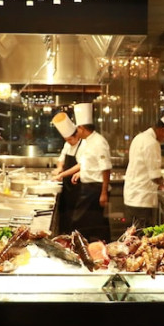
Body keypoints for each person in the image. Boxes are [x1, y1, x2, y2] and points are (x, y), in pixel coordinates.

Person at [123, 104, 164, 229]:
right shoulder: (152, 143)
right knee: (141, 236)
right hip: (142, 200)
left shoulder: (140, 137)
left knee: (131, 235)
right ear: (163, 130)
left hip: (132, 196)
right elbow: (155, 176)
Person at [70, 102, 112, 242]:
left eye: (77, 129)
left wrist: (104, 192)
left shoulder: (98, 142)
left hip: (95, 189)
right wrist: (81, 173)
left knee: (79, 223)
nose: (77, 132)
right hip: (88, 187)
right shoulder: (88, 141)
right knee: (93, 224)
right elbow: (90, 164)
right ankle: (91, 248)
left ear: (82, 128)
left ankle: (98, 247)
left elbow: (105, 168)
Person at [50, 111, 83, 235]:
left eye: (70, 139)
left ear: (77, 135)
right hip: (67, 187)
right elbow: (61, 159)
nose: (68, 141)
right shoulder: (67, 144)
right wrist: (59, 168)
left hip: (77, 186)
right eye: (66, 139)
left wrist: (62, 175)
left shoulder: (83, 145)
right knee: (66, 217)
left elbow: (80, 165)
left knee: (75, 218)